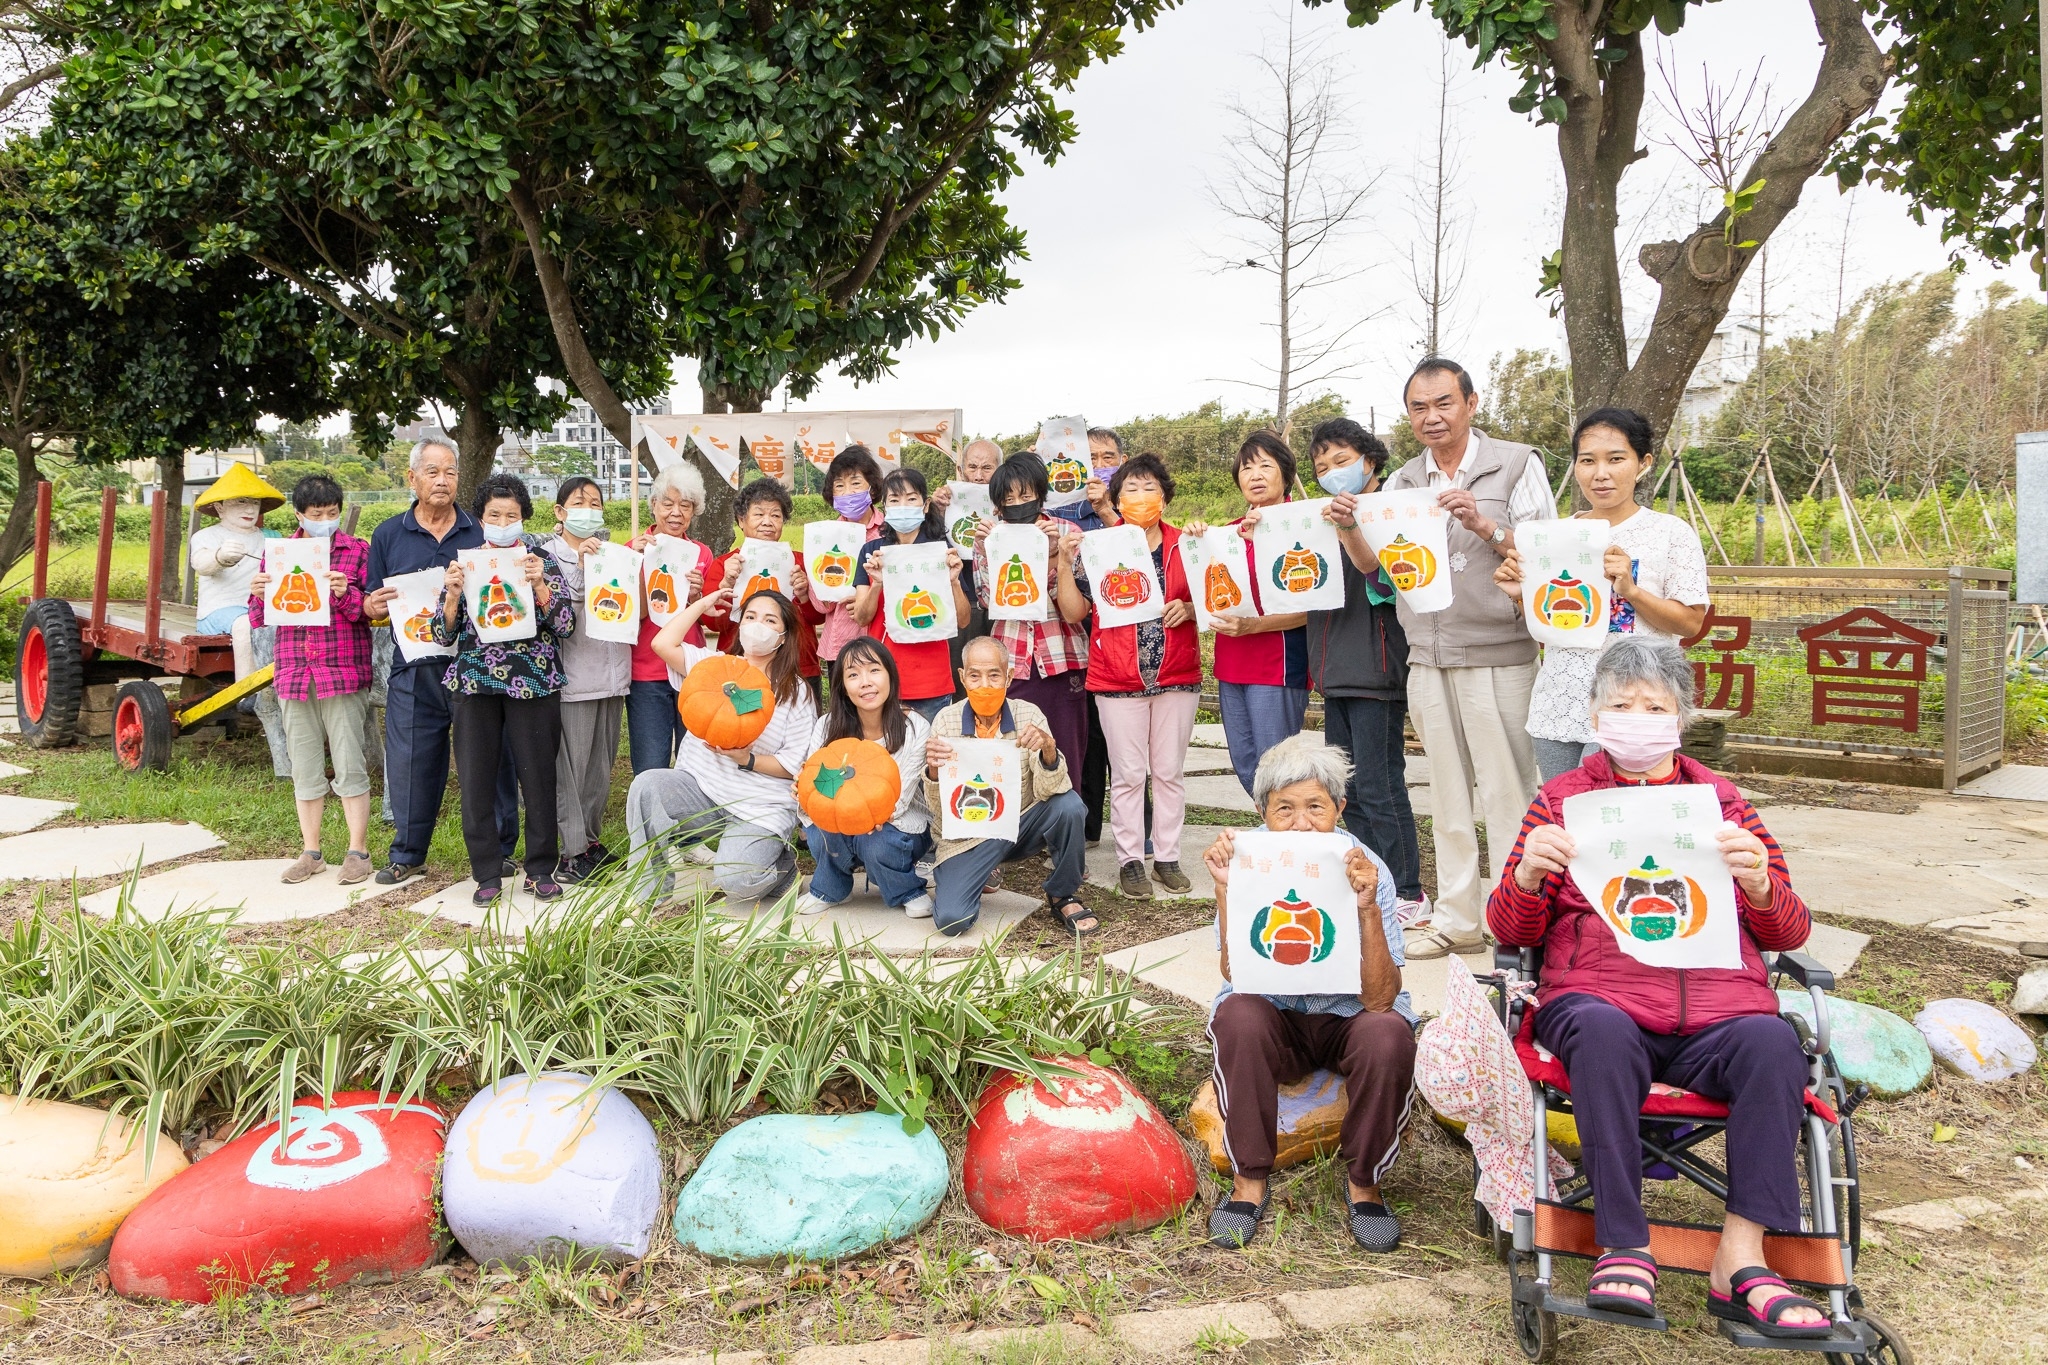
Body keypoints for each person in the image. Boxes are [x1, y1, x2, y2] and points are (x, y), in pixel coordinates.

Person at [1485, 639, 1829, 1337]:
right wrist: (1525, 876)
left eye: (1654, 706)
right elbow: (1508, 926)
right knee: (1603, 1031)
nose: (1636, 718)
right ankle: (1625, 1241)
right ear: (1593, 714)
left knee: (1773, 1042)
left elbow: (1790, 929)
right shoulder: (1561, 801)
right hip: (1602, 999)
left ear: (1682, 716)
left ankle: (1741, 1257)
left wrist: (1759, 882)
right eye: (1620, 704)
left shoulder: (1723, 804)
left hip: (1721, 1009)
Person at [1201, 732, 1416, 1254]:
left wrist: (1365, 905)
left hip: (1349, 1019)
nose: (1301, 823)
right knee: (1238, 1014)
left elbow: (1382, 998)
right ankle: (1248, 1180)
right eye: (1284, 809)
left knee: (1387, 1034)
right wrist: (1226, 890)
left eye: (1316, 807)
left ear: (1340, 808)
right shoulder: (1245, 861)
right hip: (1281, 1020)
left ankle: (1365, 1184)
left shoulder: (1366, 866)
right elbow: (1237, 971)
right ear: (1261, 811)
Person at [1382, 357, 1546, 959]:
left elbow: (1544, 553)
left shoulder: (1517, 462)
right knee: (1447, 796)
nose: (1432, 417)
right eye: (1419, 408)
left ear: (1471, 404)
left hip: (1500, 652)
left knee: (1509, 792)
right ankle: (1455, 919)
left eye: (1444, 403)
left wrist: (1484, 526)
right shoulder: (1402, 482)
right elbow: (1379, 566)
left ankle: (1514, 921)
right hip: (1427, 654)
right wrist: (1353, 527)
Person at [1493, 408, 1711, 782]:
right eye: (1587, 461)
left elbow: (1691, 623)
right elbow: (1555, 624)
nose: (1600, 473)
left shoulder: (1669, 533)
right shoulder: (1555, 536)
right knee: (1564, 814)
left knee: (1612, 816)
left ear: (1642, 463)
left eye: (1616, 459)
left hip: (1632, 705)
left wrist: (1631, 591)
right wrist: (1520, 595)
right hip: (1559, 700)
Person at [363, 436, 518, 886]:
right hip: (413, 668)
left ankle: (501, 850)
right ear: (412, 478)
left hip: (474, 667)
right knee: (412, 759)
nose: (442, 480)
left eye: (450, 472)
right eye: (432, 472)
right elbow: (372, 602)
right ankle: (407, 853)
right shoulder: (388, 534)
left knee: (491, 760)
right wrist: (372, 605)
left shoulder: (479, 532)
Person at [1055, 452, 1197, 899]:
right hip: (1117, 678)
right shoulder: (1100, 547)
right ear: (1116, 499)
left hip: (1176, 673)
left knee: (1169, 771)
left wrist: (1191, 608)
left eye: (1149, 487)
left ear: (1165, 496)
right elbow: (1076, 612)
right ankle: (1131, 860)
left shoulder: (1186, 544)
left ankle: (1168, 857)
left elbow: (1217, 597)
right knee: (1130, 773)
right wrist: (1062, 562)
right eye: (1130, 489)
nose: (1140, 496)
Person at [432, 473, 576, 908]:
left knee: (538, 778)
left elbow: (566, 625)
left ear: (523, 517)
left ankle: (539, 869)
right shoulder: (465, 564)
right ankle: (487, 873)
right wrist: (454, 595)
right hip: (475, 681)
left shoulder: (540, 560)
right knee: (475, 779)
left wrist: (539, 586)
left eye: (511, 514)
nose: (503, 521)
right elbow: (441, 633)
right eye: (494, 514)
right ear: (481, 517)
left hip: (533, 680)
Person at [626, 584, 819, 904]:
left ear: (784, 636)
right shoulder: (713, 666)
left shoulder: (796, 693)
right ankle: (652, 895)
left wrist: (747, 759)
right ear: (740, 625)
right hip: (701, 791)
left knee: (738, 882)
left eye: (771, 621)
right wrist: (701, 604)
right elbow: (662, 642)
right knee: (648, 785)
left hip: (759, 809)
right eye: (752, 616)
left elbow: (794, 766)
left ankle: (780, 871)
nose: (759, 625)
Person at [1308, 418, 1426, 926]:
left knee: (1382, 785)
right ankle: (1367, 881)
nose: (1333, 474)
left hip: (1377, 672)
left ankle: (1408, 891)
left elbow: (1386, 584)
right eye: (1322, 468)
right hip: (1335, 672)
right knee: (1348, 789)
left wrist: (1351, 528)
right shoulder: (1320, 520)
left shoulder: (1390, 511)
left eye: (1342, 462)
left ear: (1369, 462)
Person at [245, 475, 374, 885]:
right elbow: (258, 616)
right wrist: (259, 592)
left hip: (342, 669)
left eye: (332, 513)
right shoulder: (280, 553)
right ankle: (311, 851)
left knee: (350, 762)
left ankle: (358, 850)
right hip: (295, 670)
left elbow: (371, 611)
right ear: (299, 514)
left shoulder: (357, 552)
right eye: (316, 514)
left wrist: (343, 593)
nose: (325, 520)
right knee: (304, 766)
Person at [924, 636, 1093, 935]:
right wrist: (934, 772)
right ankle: (973, 872)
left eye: (994, 675)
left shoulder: (1029, 715)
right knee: (953, 920)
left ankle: (1062, 893)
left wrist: (1048, 750)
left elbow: (1051, 792)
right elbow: (939, 812)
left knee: (1069, 806)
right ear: (962, 677)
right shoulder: (946, 721)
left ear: (1009, 676)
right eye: (974, 676)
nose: (985, 685)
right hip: (967, 837)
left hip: (1018, 826)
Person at [1189, 431, 1310, 798]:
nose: (1255, 475)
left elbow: (1311, 609)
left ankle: (1288, 840)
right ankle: (1273, 837)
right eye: (1246, 468)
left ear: (1286, 475)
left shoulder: (1302, 527)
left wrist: (1252, 625)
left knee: (1276, 766)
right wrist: (1196, 537)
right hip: (1231, 663)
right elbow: (1204, 590)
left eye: (1265, 466)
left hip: (1277, 664)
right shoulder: (1225, 536)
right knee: (1245, 764)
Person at [970, 454, 1092, 790]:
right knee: (1013, 754)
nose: (1017, 504)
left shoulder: (1068, 532)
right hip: (1011, 661)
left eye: (1025, 496)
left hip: (1061, 659)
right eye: (1008, 499)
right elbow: (985, 599)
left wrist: (1052, 554)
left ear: (1040, 493)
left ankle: (1066, 832)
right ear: (997, 505)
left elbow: (1076, 607)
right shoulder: (992, 537)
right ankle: (1022, 837)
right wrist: (985, 549)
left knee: (1066, 751)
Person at [795, 636, 935, 919]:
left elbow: (901, 796)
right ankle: (828, 888)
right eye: (853, 675)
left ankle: (906, 889)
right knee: (819, 828)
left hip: (895, 822)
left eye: (874, 670)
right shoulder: (827, 726)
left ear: (890, 676)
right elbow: (817, 783)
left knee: (878, 843)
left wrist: (865, 819)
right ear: (843, 687)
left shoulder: (914, 726)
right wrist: (805, 791)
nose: (865, 682)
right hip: (840, 818)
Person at [545, 476, 631, 881]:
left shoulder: (611, 553)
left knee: (600, 766)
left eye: (596, 503)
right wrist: (582, 565)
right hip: (574, 679)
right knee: (572, 771)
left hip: (613, 674)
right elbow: (561, 613)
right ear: (560, 512)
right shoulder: (546, 557)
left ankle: (592, 842)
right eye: (579, 503)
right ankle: (569, 851)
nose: (589, 510)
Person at [190, 462, 290, 772]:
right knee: (247, 623)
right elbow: (201, 563)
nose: (249, 509)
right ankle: (248, 690)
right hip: (221, 610)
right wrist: (220, 557)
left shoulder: (271, 537)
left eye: (254, 502)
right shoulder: (208, 537)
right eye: (240, 502)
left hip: (266, 606)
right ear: (219, 506)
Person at [852, 468, 970, 722]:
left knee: (930, 758)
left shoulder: (940, 552)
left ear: (925, 505)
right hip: (881, 679)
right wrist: (876, 584)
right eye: (894, 500)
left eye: (911, 498)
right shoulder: (872, 551)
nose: (903, 506)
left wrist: (955, 584)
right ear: (885, 507)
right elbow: (861, 617)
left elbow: (963, 621)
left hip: (931, 681)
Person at [624, 462, 720, 774]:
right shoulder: (631, 550)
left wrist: (695, 596)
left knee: (694, 761)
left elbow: (705, 616)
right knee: (651, 761)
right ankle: (650, 822)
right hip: (645, 669)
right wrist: (632, 562)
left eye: (686, 505)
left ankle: (690, 821)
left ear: (695, 511)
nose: (676, 512)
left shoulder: (701, 554)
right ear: (653, 506)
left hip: (689, 666)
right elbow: (623, 612)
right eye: (668, 503)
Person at [701, 478, 824, 698]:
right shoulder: (724, 565)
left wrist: (805, 595)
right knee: (743, 727)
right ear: (741, 520)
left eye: (775, 515)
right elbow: (713, 623)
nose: (767, 522)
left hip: (799, 666)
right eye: (758, 514)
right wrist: (726, 585)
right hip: (740, 667)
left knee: (800, 729)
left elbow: (818, 617)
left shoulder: (801, 563)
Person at [812, 445, 887, 669]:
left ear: (872, 490)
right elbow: (820, 605)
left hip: (882, 641)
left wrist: (866, 600)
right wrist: (831, 592)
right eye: (839, 486)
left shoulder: (890, 532)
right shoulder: (824, 537)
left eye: (856, 484)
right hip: (840, 642)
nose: (848, 492)